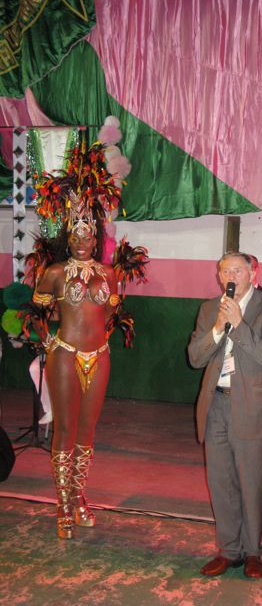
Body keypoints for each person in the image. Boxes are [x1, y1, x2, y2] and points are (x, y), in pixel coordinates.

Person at [188, 251, 262, 578]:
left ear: (252, 274)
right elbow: (195, 358)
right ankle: (229, 551)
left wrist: (239, 324)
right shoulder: (208, 309)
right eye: (225, 271)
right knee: (221, 482)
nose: (230, 276)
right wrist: (218, 328)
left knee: (251, 483)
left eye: (237, 270)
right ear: (218, 277)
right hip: (215, 404)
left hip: (251, 406)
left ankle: (253, 551)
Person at [31, 194, 119, 539]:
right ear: (67, 239)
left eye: (87, 237)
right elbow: (37, 313)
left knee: (87, 431)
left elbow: (110, 313)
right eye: (75, 237)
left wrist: (101, 338)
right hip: (65, 355)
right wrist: (48, 342)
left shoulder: (108, 273)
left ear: (96, 240)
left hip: (99, 355)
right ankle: (63, 504)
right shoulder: (54, 273)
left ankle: (79, 495)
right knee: (65, 430)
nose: (82, 242)